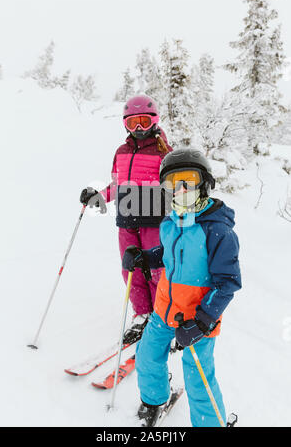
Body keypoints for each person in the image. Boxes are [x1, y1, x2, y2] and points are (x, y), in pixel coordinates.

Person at [122, 148, 242, 427]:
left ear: (205, 184)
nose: (180, 190)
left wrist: (202, 323)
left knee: (197, 376)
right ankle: (153, 401)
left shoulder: (219, 231)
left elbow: (228, 283)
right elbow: (167, 253)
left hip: (198, 318)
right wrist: (144, 257)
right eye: (172, 184)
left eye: (187, 181)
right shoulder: (171, 221)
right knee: (148, 356)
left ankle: (210, 423)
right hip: (164, 309)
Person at [80, 95, 172, 344]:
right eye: (133, 123)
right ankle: (142, 314)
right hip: (127, 221)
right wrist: (97, 196)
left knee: (156, 270)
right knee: (130, 270)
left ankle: (160, 315)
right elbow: (117, 184)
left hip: (155, 221)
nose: (139, 128)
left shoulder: (165, 153)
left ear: (154, 121)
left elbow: (177, 188)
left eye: (143, 121)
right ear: (125, 125)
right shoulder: (121, 152)